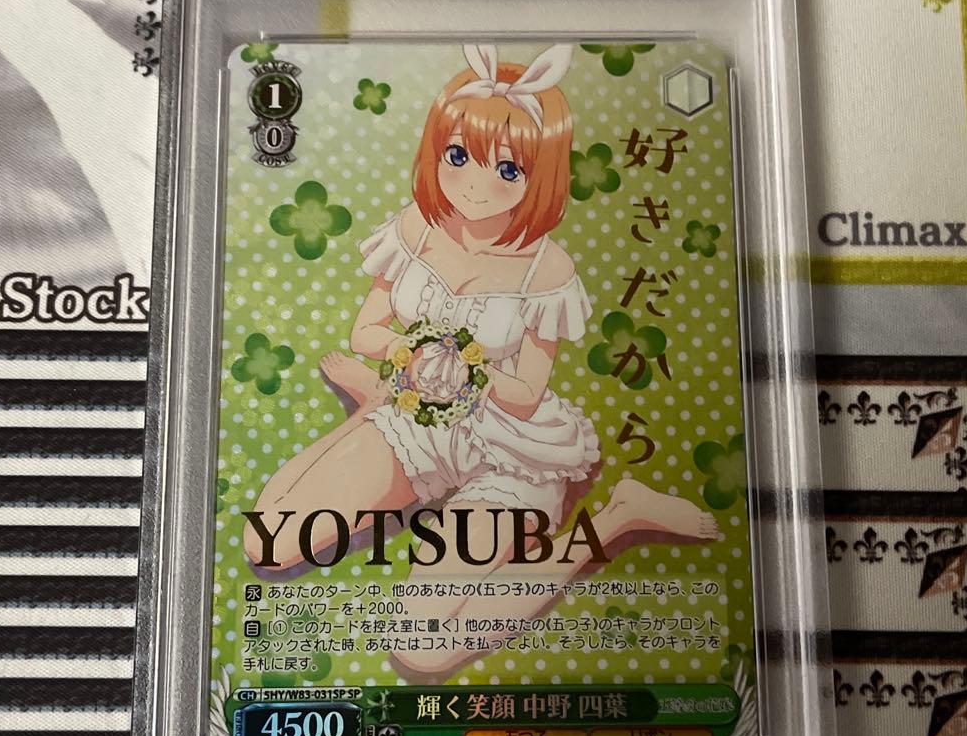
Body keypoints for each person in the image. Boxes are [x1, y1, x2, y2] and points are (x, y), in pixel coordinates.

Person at [244, 43, 719, 680]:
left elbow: (525, 394)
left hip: (510, 446)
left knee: (422, 643)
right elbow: (367, 332)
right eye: (458, 156)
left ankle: (617, 516)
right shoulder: (414, 228)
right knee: (267, 540)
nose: (475, 184)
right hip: (418, 415)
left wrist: (465, 365)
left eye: (508, 169)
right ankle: (371, 408)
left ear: (540, 176)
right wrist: (411, 357)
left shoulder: (548, 271)